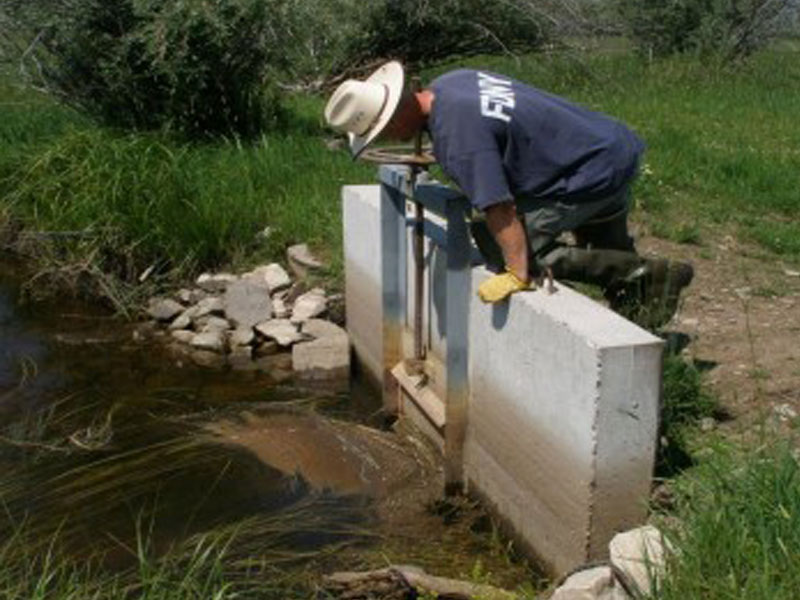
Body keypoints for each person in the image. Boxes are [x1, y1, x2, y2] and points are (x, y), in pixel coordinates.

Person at [324, 61, 693, 327]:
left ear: (395, 115)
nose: (388, 140)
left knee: (501, 242)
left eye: (383, 132)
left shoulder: (458, 138)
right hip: (600, 143)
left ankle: (651, 276)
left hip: (588, 171)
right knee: (603, 246)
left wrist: (518, 271)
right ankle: (638, 316)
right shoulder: (452, 83)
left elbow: (497, 207)